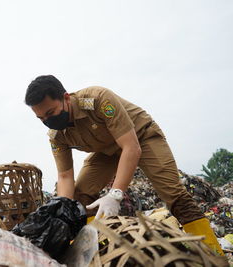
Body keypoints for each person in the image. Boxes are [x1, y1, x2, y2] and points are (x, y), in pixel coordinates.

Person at [24, 74, 224, 255]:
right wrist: (63, 213)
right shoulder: (56, 136)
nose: (48, 120)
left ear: (66, 98)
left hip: (141, 137)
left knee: (174, 195)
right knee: (79, 198)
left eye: (51, 112)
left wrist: (115, 194)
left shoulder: (97, 100)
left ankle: (214, 255)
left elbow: (131, 148)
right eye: (41, 118)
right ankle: (99, 252)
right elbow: (65, 176)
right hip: (106, 151)